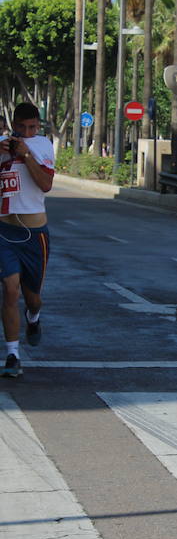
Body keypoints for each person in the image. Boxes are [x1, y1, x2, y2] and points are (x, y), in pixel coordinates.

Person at [0, 103, 54, 378]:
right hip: (5, 232)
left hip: (35, 235)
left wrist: (26, 155)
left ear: (38, 126)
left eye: (32, 127)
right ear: (15, 124)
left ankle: (33, 318)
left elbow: (45, 184)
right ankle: (12, 354)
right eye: (22, 127)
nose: (26, 132)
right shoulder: (3, 145)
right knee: (10, 290)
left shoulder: (43, 146)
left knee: (33, 299)